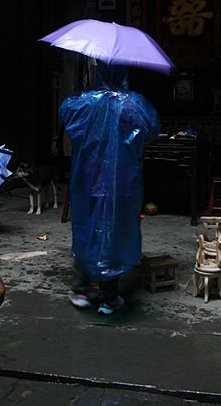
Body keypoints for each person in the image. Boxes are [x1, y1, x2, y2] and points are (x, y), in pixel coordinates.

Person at [59, 61, 161, 315]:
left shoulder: (82, 102)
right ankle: (108, 297)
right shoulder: (135, 103)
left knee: (87, 229)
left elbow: (66, 114)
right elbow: (152, 130)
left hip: (88, 177)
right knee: (114, 233)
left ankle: (81, 289)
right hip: (122, 180)